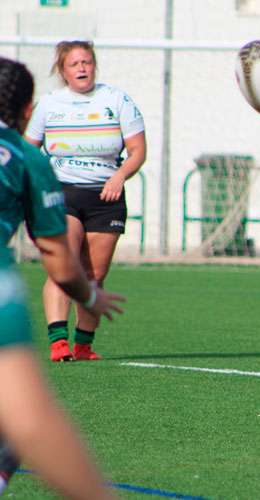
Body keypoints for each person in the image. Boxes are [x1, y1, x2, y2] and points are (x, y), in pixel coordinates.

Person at [0, 56, 123, 499]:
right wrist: (89, 295)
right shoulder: (25, 158)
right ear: (28, 110)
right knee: (21, 419)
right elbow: (58, 260)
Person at [25, 40, 146, 362]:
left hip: (106, 197)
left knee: (94, 276)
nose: (82, 68)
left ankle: (83, 346)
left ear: (94, 66)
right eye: (74, 64)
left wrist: (119, 176)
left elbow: (137, 151)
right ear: (62, 71)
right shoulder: (50, 105)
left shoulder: (116, 99)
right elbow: (28, 150)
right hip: (62, 193)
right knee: (65, 265)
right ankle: (57, 341)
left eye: (87, 62)